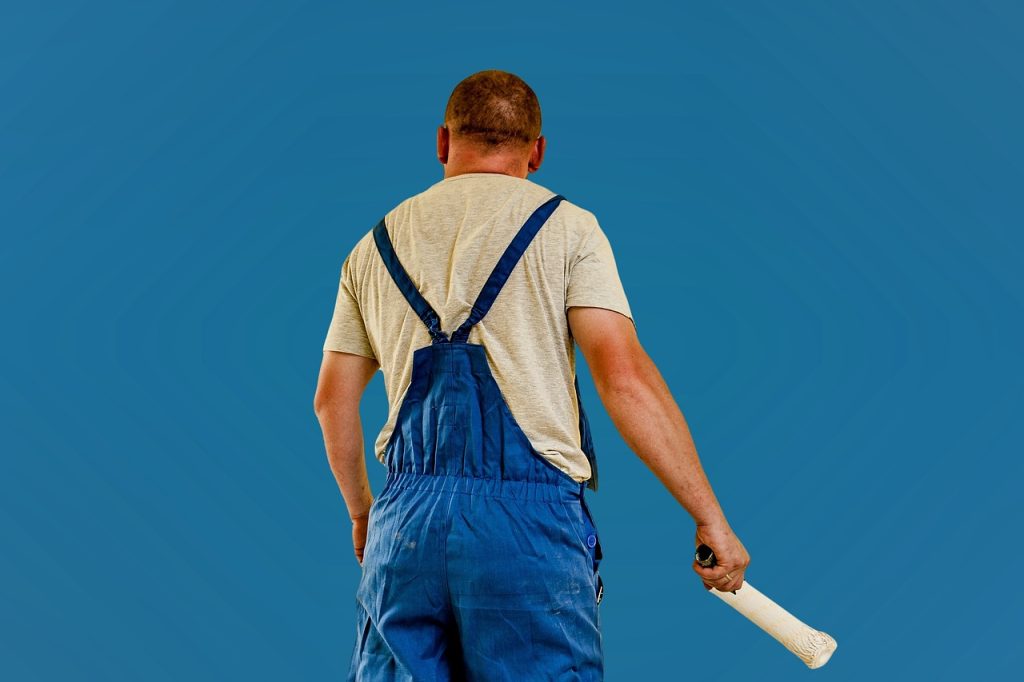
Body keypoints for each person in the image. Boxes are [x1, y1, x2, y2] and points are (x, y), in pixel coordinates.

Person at [313, 69, 750, 681]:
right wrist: (709, 516)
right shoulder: (569, 230)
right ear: (537, 151)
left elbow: (332, 402)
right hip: (525, 532)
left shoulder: (373, 244)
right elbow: (624, 378)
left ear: (443, 142)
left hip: (401, 531)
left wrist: (364, 513)